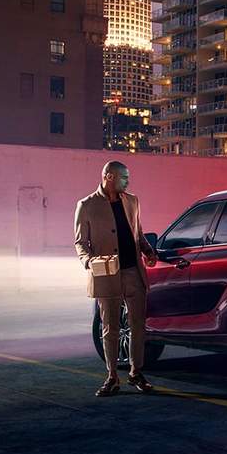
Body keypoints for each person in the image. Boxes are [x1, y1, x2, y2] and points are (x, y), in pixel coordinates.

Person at [73, 161, 158, 397]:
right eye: (124, 178)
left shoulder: (133, 201)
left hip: (134, 272)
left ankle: (136, 373)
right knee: (110, 327)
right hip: (106, 274)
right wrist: (89, 262)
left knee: (138, 325)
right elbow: (80, 242)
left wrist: (148, 251)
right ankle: (112, 376)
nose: (128, 182)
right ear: (109, 176)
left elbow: (138, 233)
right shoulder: (86, 205)